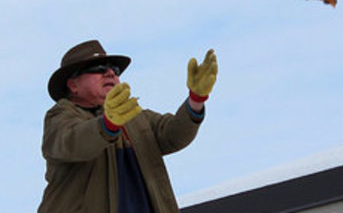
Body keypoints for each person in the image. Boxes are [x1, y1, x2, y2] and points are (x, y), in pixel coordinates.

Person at [38, 39, 218, 213]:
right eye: (98, 69)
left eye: (114, 70)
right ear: (73, 85)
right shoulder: (60, 117)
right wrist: (108, 124)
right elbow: (73, 143)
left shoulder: (134, 117)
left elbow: (174, 134)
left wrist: (196, 100)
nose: (110, 73)